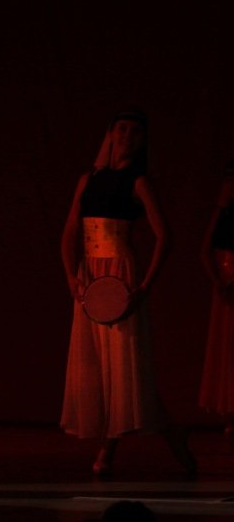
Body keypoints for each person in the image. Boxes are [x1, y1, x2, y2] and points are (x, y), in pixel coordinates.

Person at [59, 109, 196, 476]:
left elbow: (165, 237)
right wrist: (71, 275)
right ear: (110, 133)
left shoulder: (139, 182)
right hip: (91, 277)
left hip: (120, 277)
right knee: (102, 367)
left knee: (123, 367)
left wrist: (144, 286)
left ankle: (108, 451)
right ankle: (172, 433)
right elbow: (70, 231)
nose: (127, 136)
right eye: (122, 129)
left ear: (142, 139)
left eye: (135, 131)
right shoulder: (88, 179)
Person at [198, 159, 234, 435]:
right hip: (225, 284)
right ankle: (230, 412)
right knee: (227, 346)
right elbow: (205, 250)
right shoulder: (222, 213)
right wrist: (218, 282)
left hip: (227, 282)